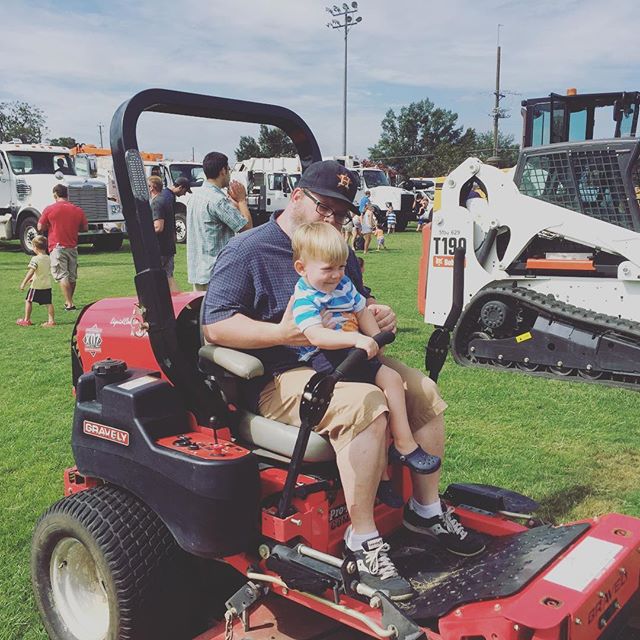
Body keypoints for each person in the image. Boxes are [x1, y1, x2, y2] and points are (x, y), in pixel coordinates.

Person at [202, 160, 484, 602]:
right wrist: (281, 332)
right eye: (325, 208)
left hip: (343, 361)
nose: (333, 219)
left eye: (342, 212)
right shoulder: (247, 251)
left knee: (423, 393)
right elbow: (216, 326)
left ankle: (425, 510)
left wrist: (377, 309)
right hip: (282, 374)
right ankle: (362, 537)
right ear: (296, 196)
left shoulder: (339, 250)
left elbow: (355, 298)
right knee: (366, 404)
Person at [186, 151, 252, 291]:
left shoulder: (195, 196)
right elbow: (247, 228)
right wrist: (241, 200)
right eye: (228, 170)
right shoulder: (217, 200)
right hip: (217, 273)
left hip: (198, 271)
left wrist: (234, 203)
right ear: (223, 170)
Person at [37, 184, 88, 311]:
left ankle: (69, 303)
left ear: (55, 194)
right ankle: (69, 300)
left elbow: (39, 227)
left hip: (57, 246)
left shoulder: (50, 209)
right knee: (72, 276)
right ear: (67, 194)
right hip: (73, 246)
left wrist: (50, 225)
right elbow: (85, 228)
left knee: (62, 275)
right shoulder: (77, 210)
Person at [148, 175, 189, 293]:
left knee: (154, 278)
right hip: (168, 246)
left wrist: (144, 232)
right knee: (169, 277)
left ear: (152, 187)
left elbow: (158, 227)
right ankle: (177, 303)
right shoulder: (167, 198)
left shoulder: (157, 202)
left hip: (159, 247)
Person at [17, 235, 55, 327]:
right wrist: (33, 277)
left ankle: (26, 320)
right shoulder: (48, 258)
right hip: (46, 285)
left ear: (35, 247)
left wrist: (23, 283)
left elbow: (31, 271)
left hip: (36, 285)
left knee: (28, 300)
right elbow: (42, 270)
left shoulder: (35, 259)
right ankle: (51, 321)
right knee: (48, 303)